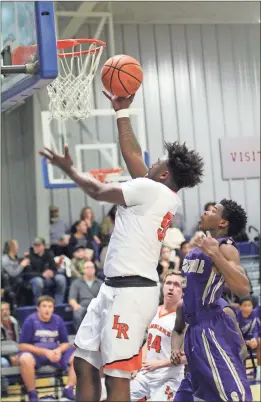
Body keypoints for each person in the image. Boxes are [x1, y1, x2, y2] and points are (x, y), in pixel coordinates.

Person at [39, 92, 204, 402]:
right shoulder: (160, 193)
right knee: (84, 362)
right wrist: (121, 111)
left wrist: (71, 171)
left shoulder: (149, 189)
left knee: (117, 378)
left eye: (156, 162)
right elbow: (132, 155)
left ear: (164, 174)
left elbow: (100, 191)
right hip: (113, 288)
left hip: (130, 293)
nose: (149, 163)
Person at [171, 200, 252, 402]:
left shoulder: (225, 248)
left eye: (213, 210)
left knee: (235, 396)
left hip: (211, 330)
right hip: (194, 331)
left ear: (222, 223)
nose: (206, 211)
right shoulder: (195, 249)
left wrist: (215, 254)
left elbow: (243, 289)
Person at [173, 297, 249, 402]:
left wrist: (225, 374)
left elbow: (242, 349)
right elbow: (178, 329)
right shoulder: (183, 305)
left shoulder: (224, 310)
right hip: (193, 378)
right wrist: (175, 349)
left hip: (220, 381)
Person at [130, 271, 185, 401]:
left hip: (168, 378)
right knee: (118, 397)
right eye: (168, 283)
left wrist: (158, 364)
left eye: (177, 285)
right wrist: (137, 365)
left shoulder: (184, 319)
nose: (171, 287)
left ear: (183, 291)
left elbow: (187, 357)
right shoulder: (154, 310)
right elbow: (149, 343)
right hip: (145, 374)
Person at [19, 296, 76, 402]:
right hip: (37, 354)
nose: (47, 309)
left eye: (50, 306)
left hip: (55, 353)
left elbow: (65, 343)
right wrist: (45, 352)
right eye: (44, 306)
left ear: (53, 309)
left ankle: (69, 389)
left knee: (79, 356)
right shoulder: (30, 321)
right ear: (38, 308)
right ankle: (32, 393)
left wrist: (58, 351)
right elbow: (22, 345)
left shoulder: (58, 320)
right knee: (25, 358)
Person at [26, 237, 67, 305]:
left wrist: (52, 273)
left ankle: (59, 304)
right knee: (38, 281)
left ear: (44, 246)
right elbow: (28, 274)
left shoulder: (49, 254)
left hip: (48, 279)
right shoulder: (29, 256)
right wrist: (42, 274)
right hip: (34, 279)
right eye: (35, 245)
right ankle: (38, 304)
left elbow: (54, 269)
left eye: (38, 245)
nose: (36, 247)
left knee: (61, 278)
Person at [69, 260, 103, 331]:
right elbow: (72, 298)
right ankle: (79, 336)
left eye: (92, 267)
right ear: (83, 270)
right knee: (77, 313)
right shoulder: (76, 283)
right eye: (87, 267)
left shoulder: (100, 283)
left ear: (94, 269)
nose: (90, 269)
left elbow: (104, 298)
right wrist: (75, 305)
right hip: (83, 306)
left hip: (97, 307)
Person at [1, 302, 19, 368]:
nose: (5, 312)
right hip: (3, 354)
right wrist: (9, 355)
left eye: (7, 309)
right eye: (2, 310)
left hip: (15, 351)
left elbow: (19, 340)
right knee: (4, 362)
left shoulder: (14, 322)